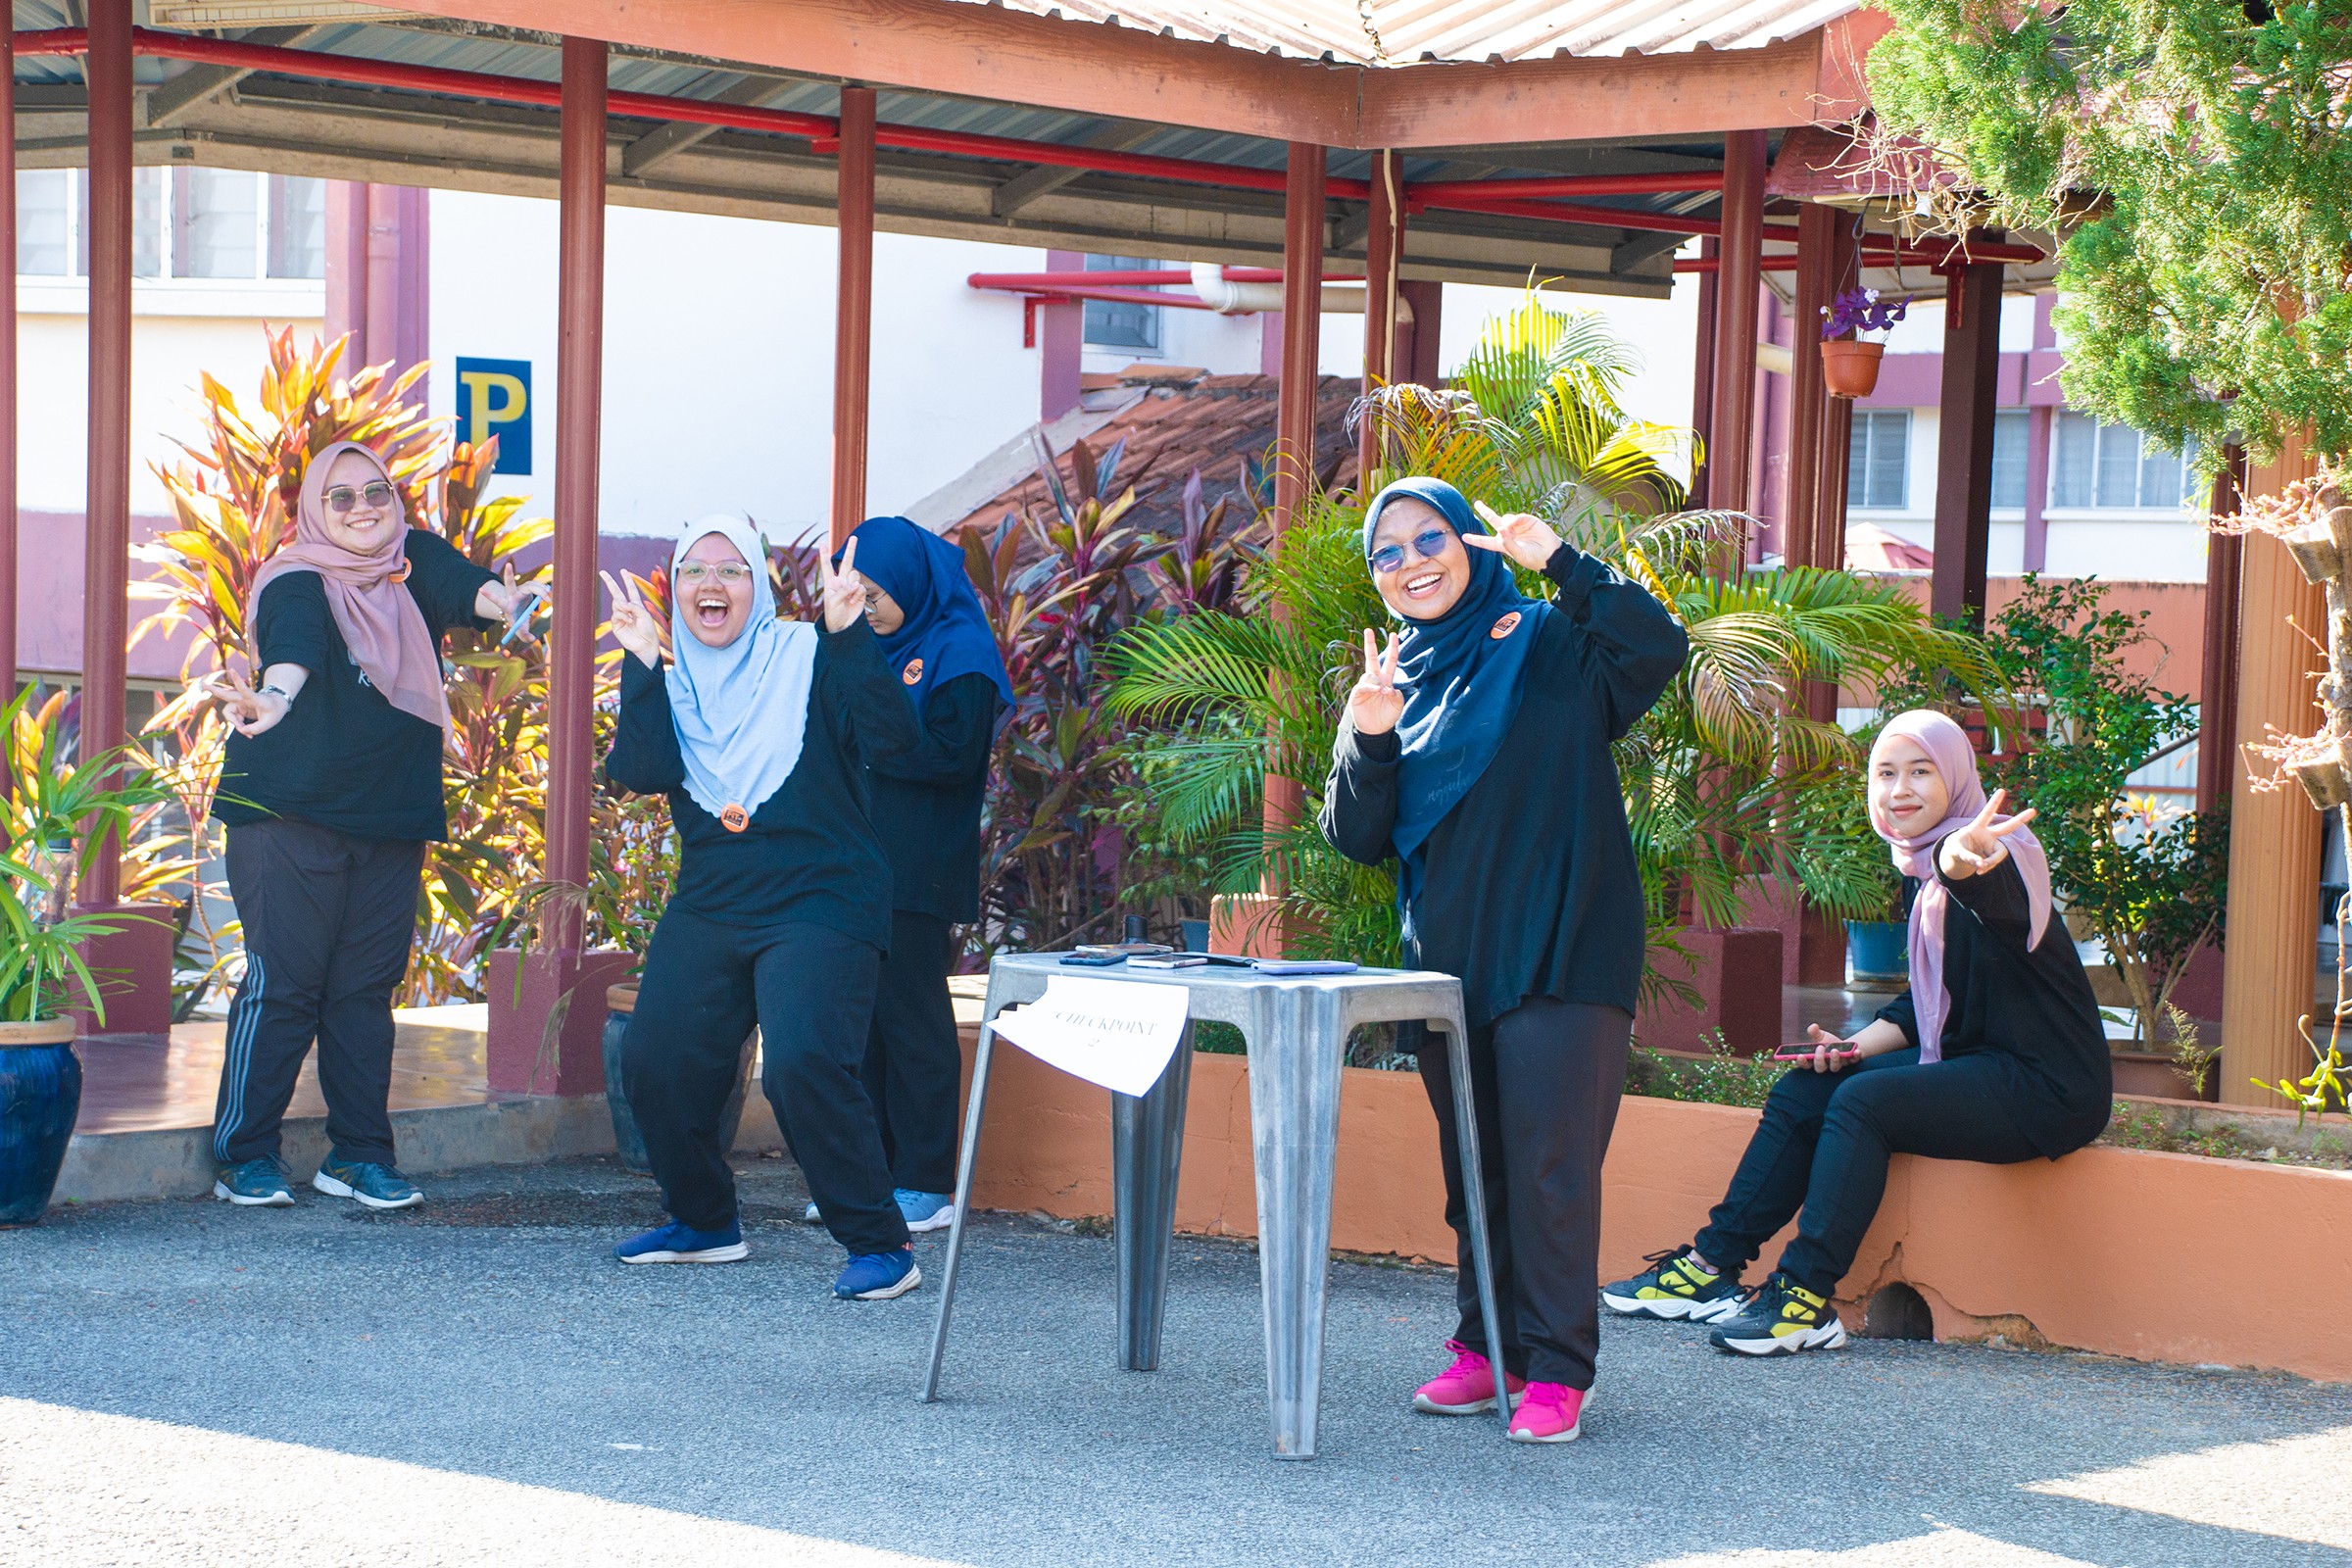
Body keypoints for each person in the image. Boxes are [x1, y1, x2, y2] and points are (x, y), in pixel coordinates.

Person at [1321, 476, 1687, 1445]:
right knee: (1475, 1169)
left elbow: (1657, 645)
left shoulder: (1547, 641)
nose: (1410, 562)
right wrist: (1369, 735)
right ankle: (1489, 1347)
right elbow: (1356, 835)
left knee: (1550, 1165)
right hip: (1451, 962)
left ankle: (1558, 1368)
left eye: (1429, 538)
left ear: (1469, 544)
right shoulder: (1394, 681)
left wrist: (1559, 561)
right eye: (1387, 552)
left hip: (1563, 940)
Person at [1603, 709, 2110, 1356]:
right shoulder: (1920, 873)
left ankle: (1803, 1298)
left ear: (1956, 778)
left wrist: (1960, 860)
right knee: (1807, 1089)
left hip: (2047, 1085)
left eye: (1921, 772)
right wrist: (1848, 1048)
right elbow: (1926, 1000)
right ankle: (1710, 1267)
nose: (1900, 790)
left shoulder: (1993, 859)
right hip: (1976, 1062)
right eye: (1885, 774)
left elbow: (1983, 887)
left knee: (1864, 1103)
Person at [602, 515, 927, 1300]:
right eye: (694, 571)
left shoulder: (811, 655)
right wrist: (641, 663)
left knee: (803, 1062)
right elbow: (641, 771)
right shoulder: (675, 682)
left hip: (824, 893)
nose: (711, 585)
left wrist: (849, 635)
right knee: (655, 1057)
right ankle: (704, 1221)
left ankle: (881, 1243)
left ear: (760, 584)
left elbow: (895, 741)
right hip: (715, 898)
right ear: (676, 589)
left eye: (731, 570)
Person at [203, 440, 534, 1210]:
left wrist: (506, 602)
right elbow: (292, 650)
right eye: (342, 496)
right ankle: (244, 1155)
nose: (363, 509)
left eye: (376, 492)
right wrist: (273, 699)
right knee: (285, 986)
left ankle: (358, 1156)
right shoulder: (296, 579)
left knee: (363, 992)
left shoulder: (410, 560)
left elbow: (468, 588)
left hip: (388, 813)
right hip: (286, 813)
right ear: (316, 509)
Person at [826, 515, 1010, 1234]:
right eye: (858, 595)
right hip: (854, 861)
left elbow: (955, 759)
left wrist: (877, 745)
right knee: (861, 1024)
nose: (867, 608)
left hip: (917, 864)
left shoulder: (960, 653)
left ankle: (926, 1182)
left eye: (876, 595)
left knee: (911, 1022)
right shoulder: (858, 647)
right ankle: (872, 1182)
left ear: (909, 581)